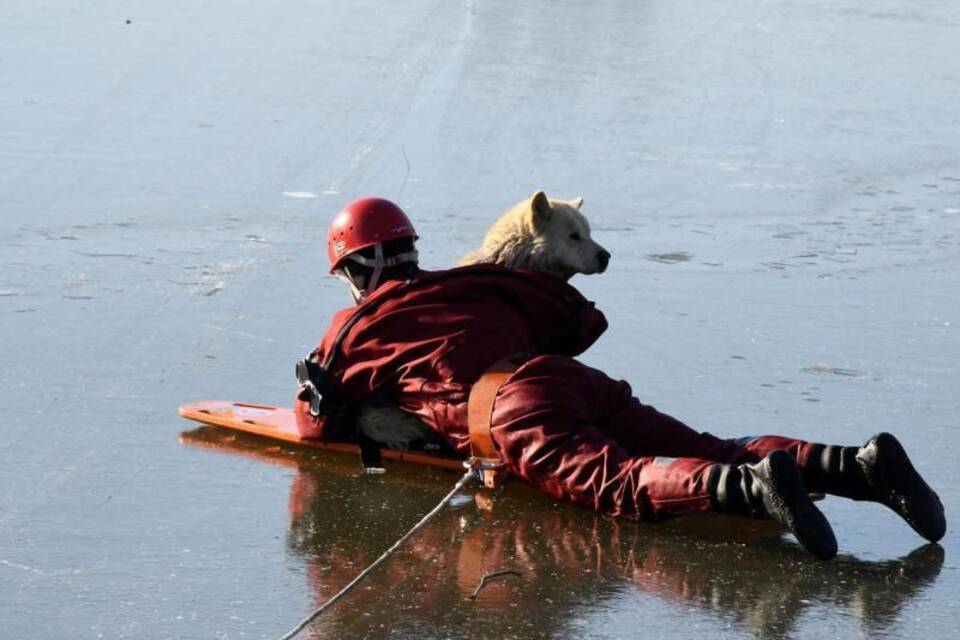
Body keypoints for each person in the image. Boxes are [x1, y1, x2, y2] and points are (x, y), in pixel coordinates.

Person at [295, 196, 946, 560]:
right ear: (411, 251)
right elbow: (565, 320)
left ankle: (749, 488)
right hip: (566, 379)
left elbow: (316, 423)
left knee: (623, 483)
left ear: (352, 273)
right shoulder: (473, 282)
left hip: (510, 413)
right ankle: (855, 465)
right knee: (710, 443)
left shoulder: (354, 330)